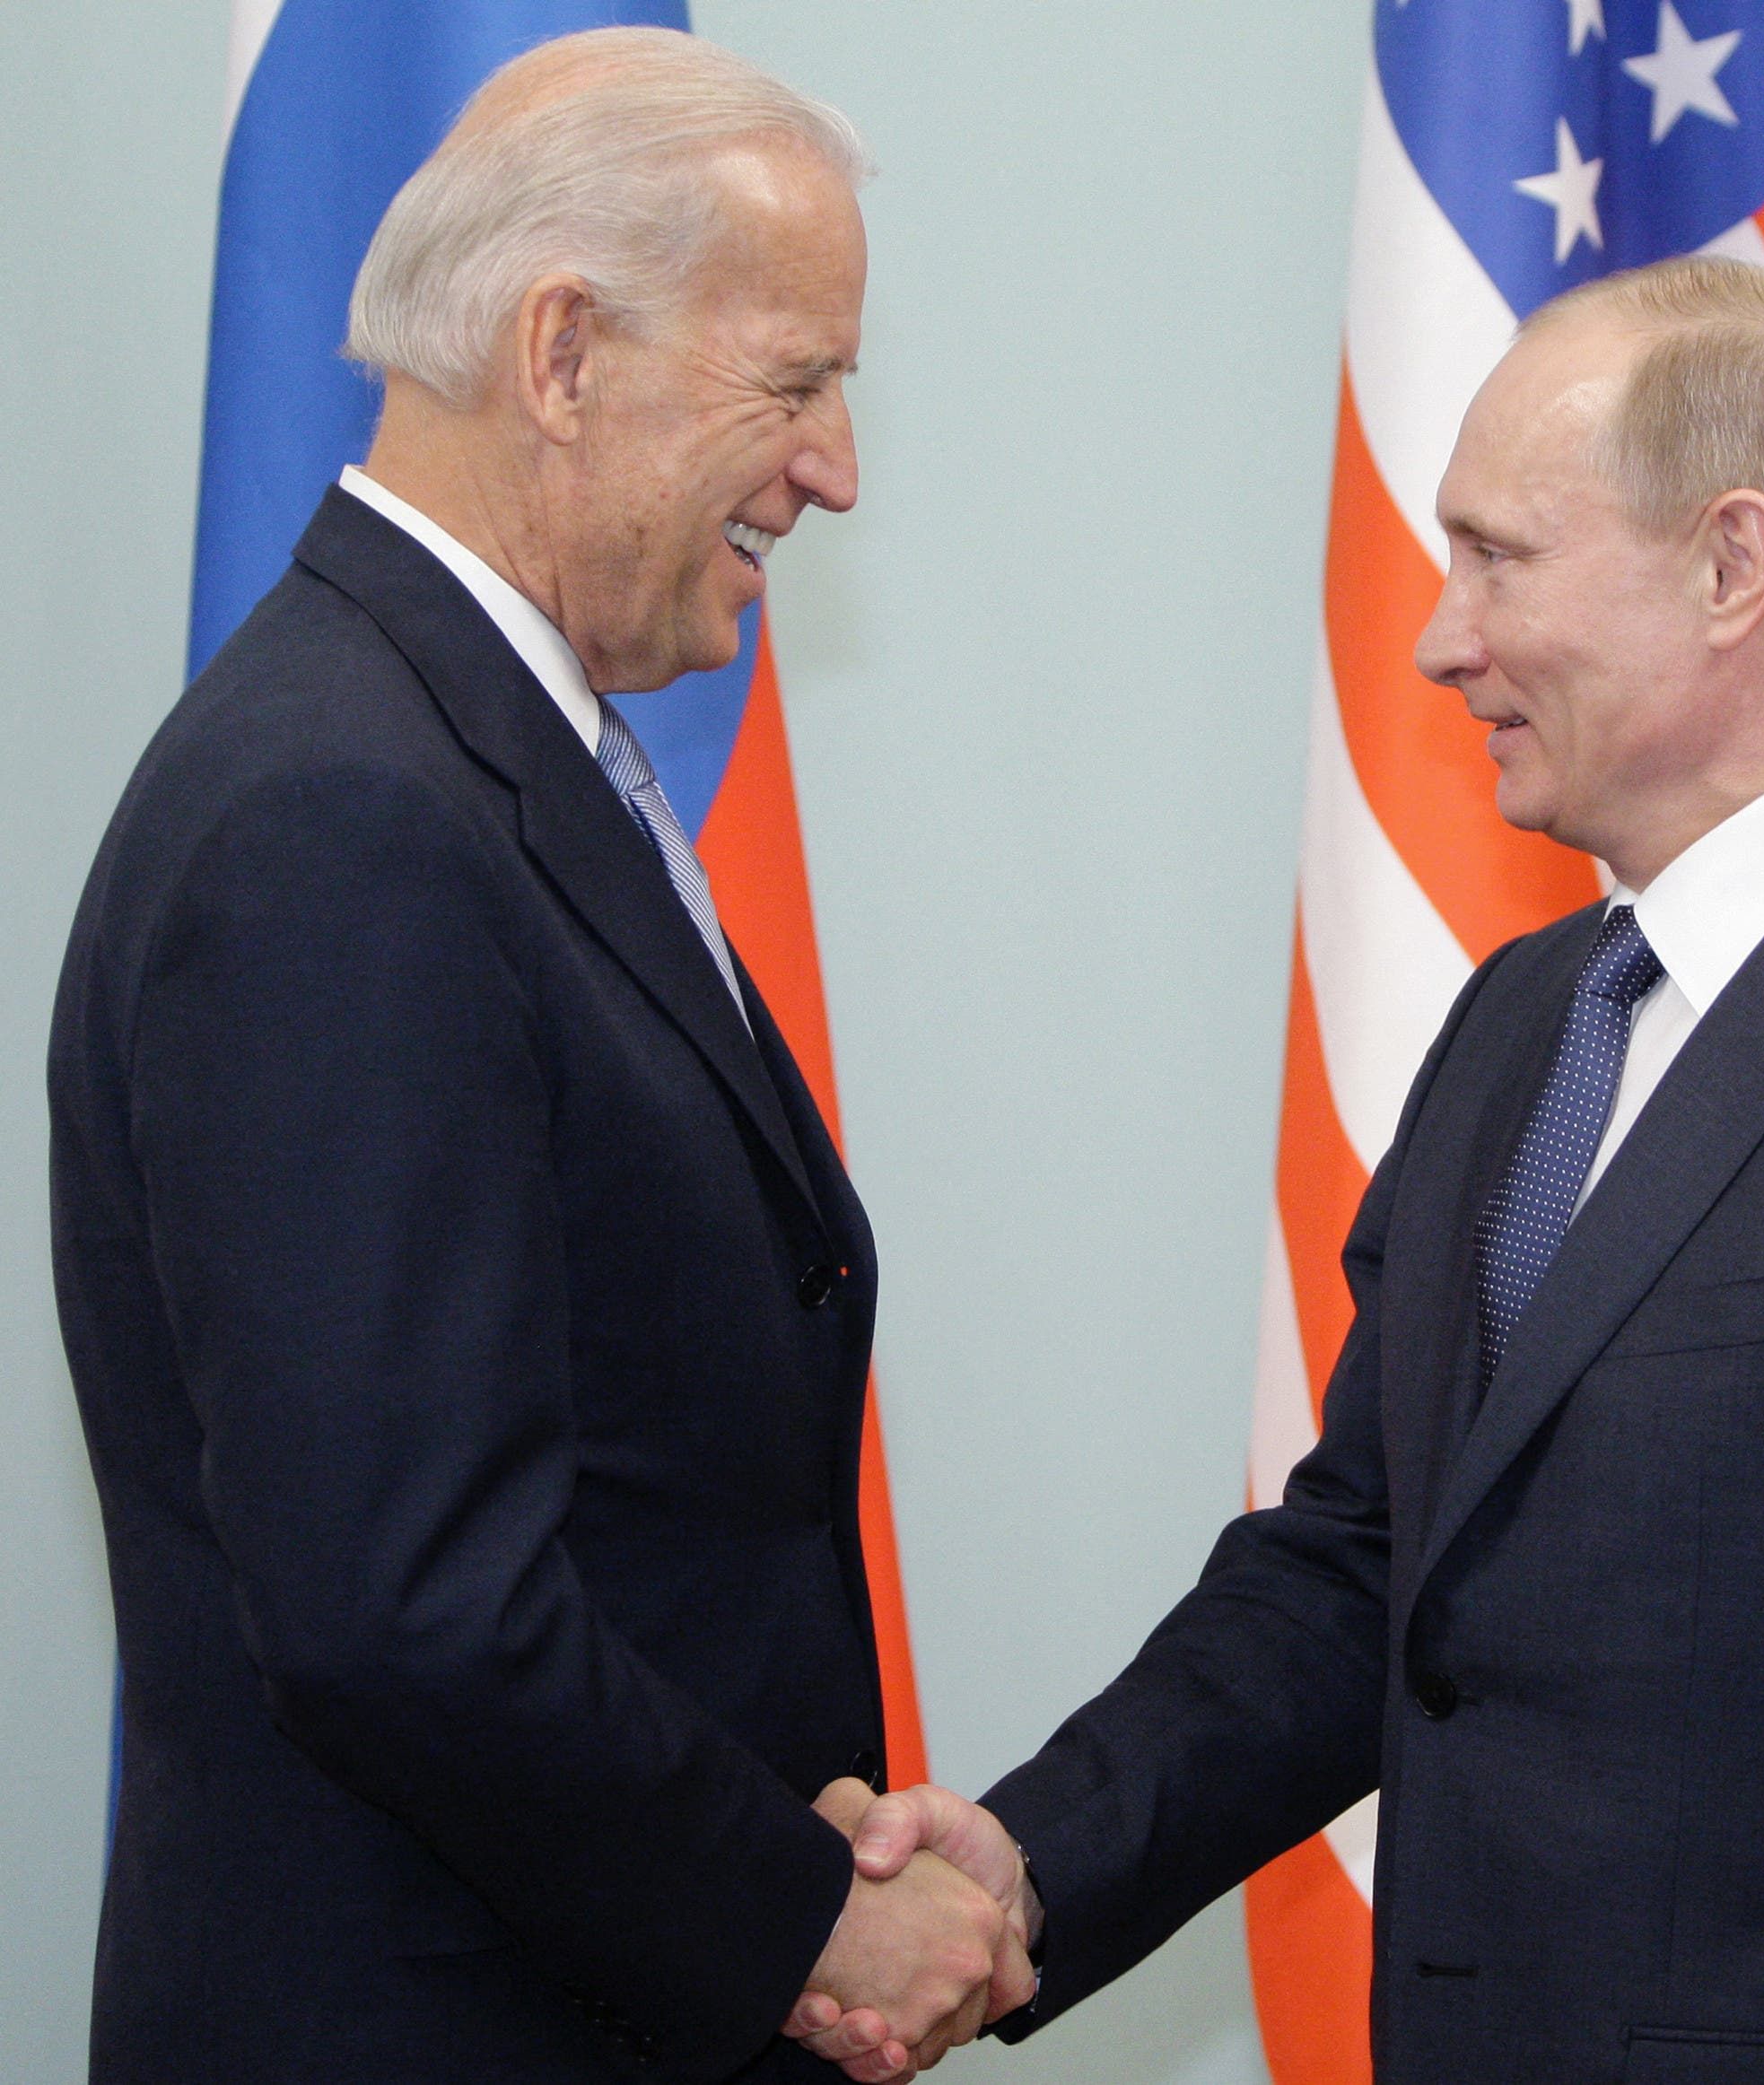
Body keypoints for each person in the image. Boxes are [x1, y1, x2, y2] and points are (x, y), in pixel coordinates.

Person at [790, 258, 1764, 2084]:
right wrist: (1029, 1860)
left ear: (1732, 566)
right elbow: (1370, 1563)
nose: (1438, 638)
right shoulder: (1526, 1015)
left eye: (1498, 557)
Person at [50, 29, 1026, 2084]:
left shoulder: (468, 758)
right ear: (562, 355)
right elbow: (401, 1601)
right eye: (794, 382)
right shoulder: (344, 813)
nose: (837, 465)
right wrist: (802, 1913)